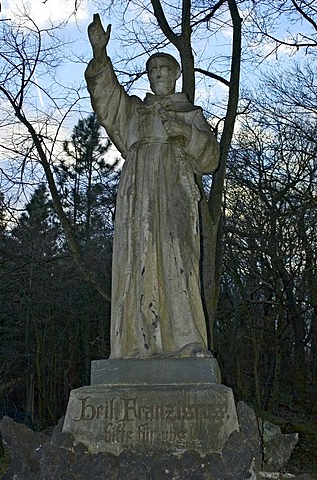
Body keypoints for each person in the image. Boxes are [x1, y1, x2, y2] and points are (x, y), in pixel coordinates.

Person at [85, 14, 220, 359]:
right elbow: (107, 100)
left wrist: (186, 135)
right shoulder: (134, 112)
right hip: (137, 191)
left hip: (174, 187)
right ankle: (135, 345)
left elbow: (210, 158)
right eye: (152, 69)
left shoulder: (190, 113)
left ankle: (186, 342)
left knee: (179, 260)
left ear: (176, 75)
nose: (158, 73)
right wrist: (101, 55)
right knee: (137, 259)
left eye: (164, 67)